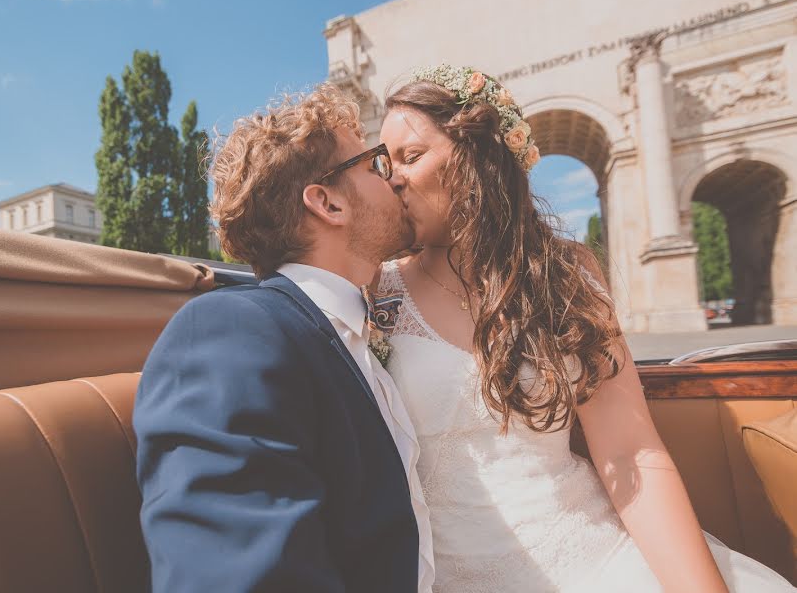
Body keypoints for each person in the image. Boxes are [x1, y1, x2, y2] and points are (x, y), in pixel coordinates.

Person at [373, 64, 795, 592]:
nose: (390, 178)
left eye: (411, 157)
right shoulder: (373, 288)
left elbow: (630, 451)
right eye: (384, 163)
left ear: (477, 159)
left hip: (595, 556)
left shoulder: (567, 273)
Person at [133, 84, 434, 592]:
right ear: (327, 203)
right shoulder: (229, 331)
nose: (396, 180)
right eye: (374, 166)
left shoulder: (359, 328)